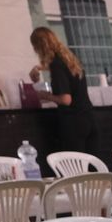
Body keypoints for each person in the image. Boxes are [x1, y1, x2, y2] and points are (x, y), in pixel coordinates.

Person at [27, 27, 97, 159]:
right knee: (91, 166)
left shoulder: (56, 65)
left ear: (39, 46)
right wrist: (38, 68)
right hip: (88, 118)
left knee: (76, 167)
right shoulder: (70, 59)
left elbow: (66, 100)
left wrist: (44, 95)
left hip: (74, 122)